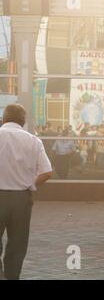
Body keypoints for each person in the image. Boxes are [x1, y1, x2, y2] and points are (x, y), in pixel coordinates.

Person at [0, 104, 52, 280]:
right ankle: (12, 276)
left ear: (4, 118)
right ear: (23, 121)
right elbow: (46, 172)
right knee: (18, 243)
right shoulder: (33, 140)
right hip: (21, 199)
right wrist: (32, 185)